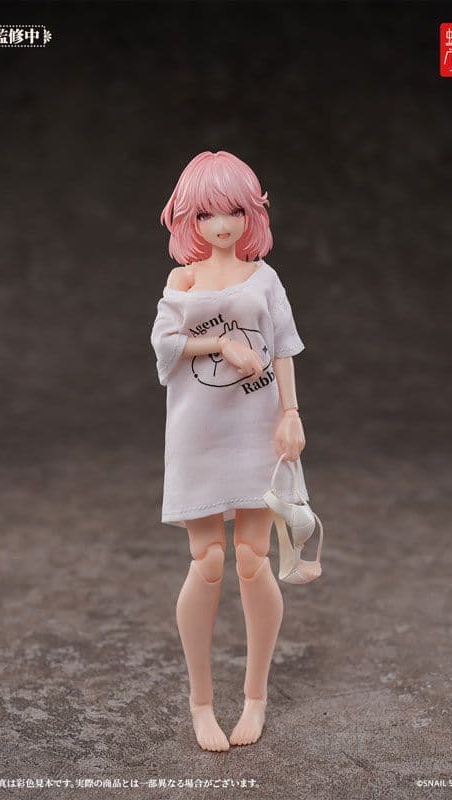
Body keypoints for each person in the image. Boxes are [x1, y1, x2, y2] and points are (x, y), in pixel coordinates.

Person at [150, 151, 308, 750]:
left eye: (234, 211)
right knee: (207, 558)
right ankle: (201, 702)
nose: (222, 225)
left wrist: (291, 413)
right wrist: (220, 344)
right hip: (198, 432)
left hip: (255, 427)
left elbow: (284, 346)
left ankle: (255, 696)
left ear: (252, 214)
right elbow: (165, 344)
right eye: (207, 214)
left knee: (251, 556)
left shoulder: (265, 277)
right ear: (188, 218)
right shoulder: (183, 280)